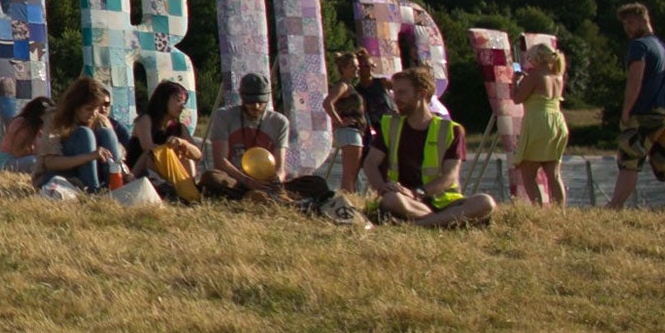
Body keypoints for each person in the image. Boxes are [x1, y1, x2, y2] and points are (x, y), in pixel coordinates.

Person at [364, 66, 496, 227]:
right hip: (405, 200)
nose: (395, 98)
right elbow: (370, 163)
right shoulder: (389, 125)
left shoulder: (451, 130)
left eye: (402, 92)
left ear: (422, 94)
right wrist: (383, 189)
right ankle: (446, 221)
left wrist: (418, 193)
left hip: (443, 201)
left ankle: (420, 224)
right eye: (394, 92)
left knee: (485, 202)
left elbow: (450, 176)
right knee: (391, 200)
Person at [199, 73, 331, 204]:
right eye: (250, 101)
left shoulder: (279, 122)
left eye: (260, 101)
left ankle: (267, 197)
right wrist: (247, 181)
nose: (256, 106)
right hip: (237, 180)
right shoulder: (224, 116)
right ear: (242, 97)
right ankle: (261, 198)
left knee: (317, 183)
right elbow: (220, 162)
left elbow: (280, 167)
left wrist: (276, 180)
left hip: (266, 183)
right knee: (211, 178)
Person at [608, 2, 665, 214]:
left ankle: (614, 206)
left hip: (644, 112)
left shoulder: (639, 46)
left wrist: (626, 110)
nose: (628, 28)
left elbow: (635, 80)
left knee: (629, 160)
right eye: (625, 24)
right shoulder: (663, 48)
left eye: (631, 22)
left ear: (645, 19)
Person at [32, 76, 127, 194]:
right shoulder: (55, 119)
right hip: (61, 173)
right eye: (89, 109)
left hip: (96, 172)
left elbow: (115, 152)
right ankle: (92, 190)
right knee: (84, 134)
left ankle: (115, 188)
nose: (93, 113)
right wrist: (89, 156)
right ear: (76, 106)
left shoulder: (100, 120)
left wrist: (125, 172)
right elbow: (50, 163)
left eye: (96, 108)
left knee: (107, 133)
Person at [509, 42, 570, 207]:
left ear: (537, 58)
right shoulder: (557, 75)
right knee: (554, 173)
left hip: (538, 122)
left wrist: (515, 81)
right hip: (557, 121)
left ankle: (537, 208)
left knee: (528, 172)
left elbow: (517, 98)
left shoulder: (535, 76)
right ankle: (560, 211)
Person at [128, 80, 202, 193]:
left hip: (169, 169)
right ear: (164, 100)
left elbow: (198, 155)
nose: (182, 107)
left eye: (183, 103)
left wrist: (183, 144)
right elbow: (148, 148)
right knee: (156, 152)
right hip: (144, 168)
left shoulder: (179, 128)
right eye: (178, 101)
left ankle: (189, 188)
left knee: (187, 157)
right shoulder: (145, 120)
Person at [324, 51, 367, 193]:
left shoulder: (348, 85)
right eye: (353, 67)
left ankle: (349, 196)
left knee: (352, 172)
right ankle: (347, 198)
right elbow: (328, 103)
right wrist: (339, 121)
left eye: (357, 67)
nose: (357, 70)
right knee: (349, 173)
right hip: (349, 132)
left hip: (354, 131)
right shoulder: (343, 85)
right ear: (344, 69)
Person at [0, 97, 50, 174]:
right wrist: (38, 151)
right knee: (35, 162)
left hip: (21, 160)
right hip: (6, 161)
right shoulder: (21, 124)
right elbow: (17, 152)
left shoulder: (39, 129)